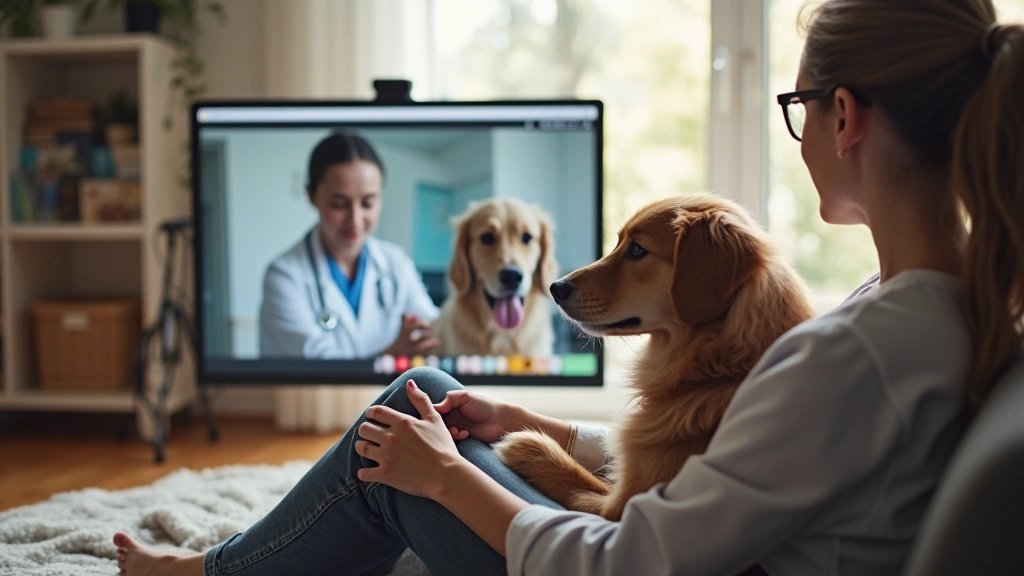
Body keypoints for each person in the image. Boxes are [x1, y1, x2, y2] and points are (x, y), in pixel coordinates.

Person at [115, 1, 1024, 574]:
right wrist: (535, 425)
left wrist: (446, 482)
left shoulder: (855, 350)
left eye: (797, 109)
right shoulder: (924, 309)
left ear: (843, 114)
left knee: (398, 443)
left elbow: (633, 559)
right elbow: (720, 464)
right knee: (432, 395)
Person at [259, 132, 441, 359]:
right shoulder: (285, 275)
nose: (355, 220)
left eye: (368, 203)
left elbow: (434, 329)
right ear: (312, 195)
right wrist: (391, 355)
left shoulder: (396, 263)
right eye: (339, 204)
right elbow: (317, 369)